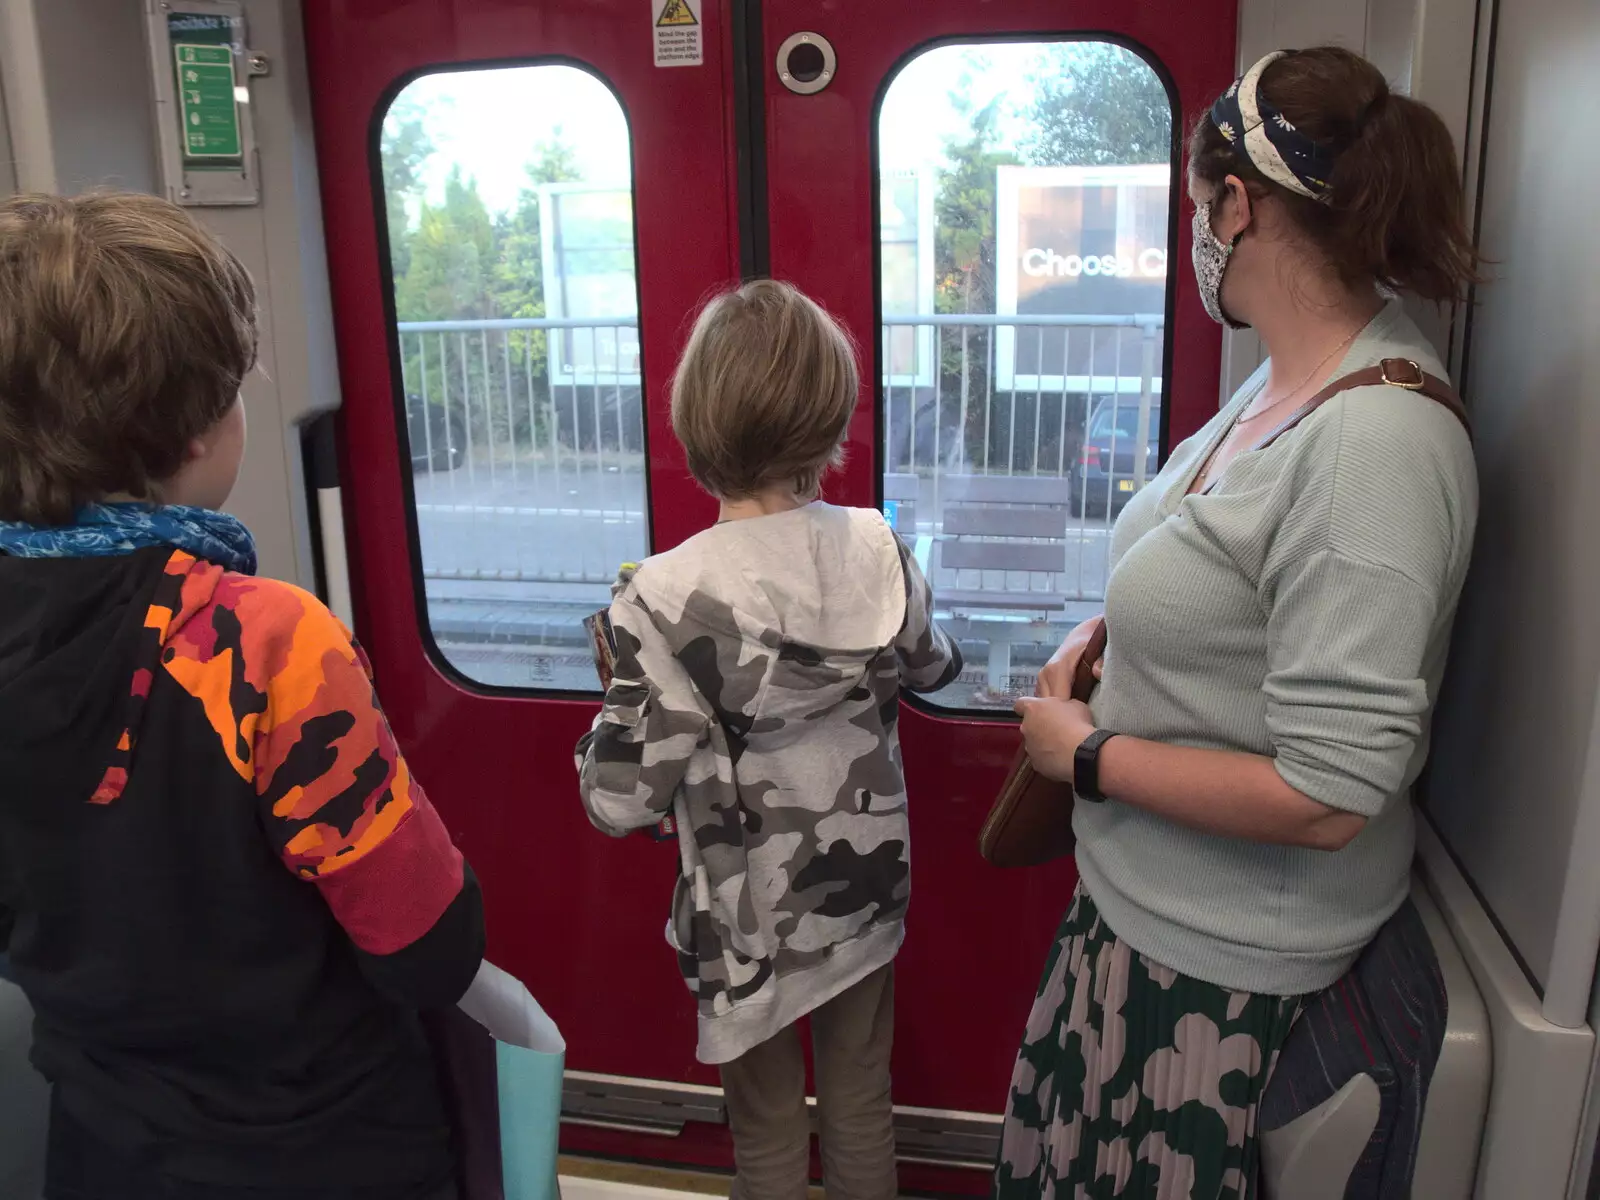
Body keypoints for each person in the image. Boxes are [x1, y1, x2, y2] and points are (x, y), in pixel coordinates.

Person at [995, 47, 1481, 1199]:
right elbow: (1225, 583)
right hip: (1143, 924)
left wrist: (1092, 759)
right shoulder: (1282, 387)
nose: (1197, 235)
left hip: (1217, 980)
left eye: (1199, 207)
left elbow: (1325, 792)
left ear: (1241, 204)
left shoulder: (1374, 445)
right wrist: (1103, 642)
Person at [0, 192, 485, 1200]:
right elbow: (428, 951)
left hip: (103, 1149)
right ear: (191, 433)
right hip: (323, 1148)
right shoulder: (260, 642)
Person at [576, 279, 960, 1200]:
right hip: (864, 891)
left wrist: (597, 742)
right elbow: (935, 665)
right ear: (828, 424)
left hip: (748, 920)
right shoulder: (877, 546)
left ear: (695, 423)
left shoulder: (663, 598)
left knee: (768, 1125)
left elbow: (620, 796)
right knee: (864, 1098)